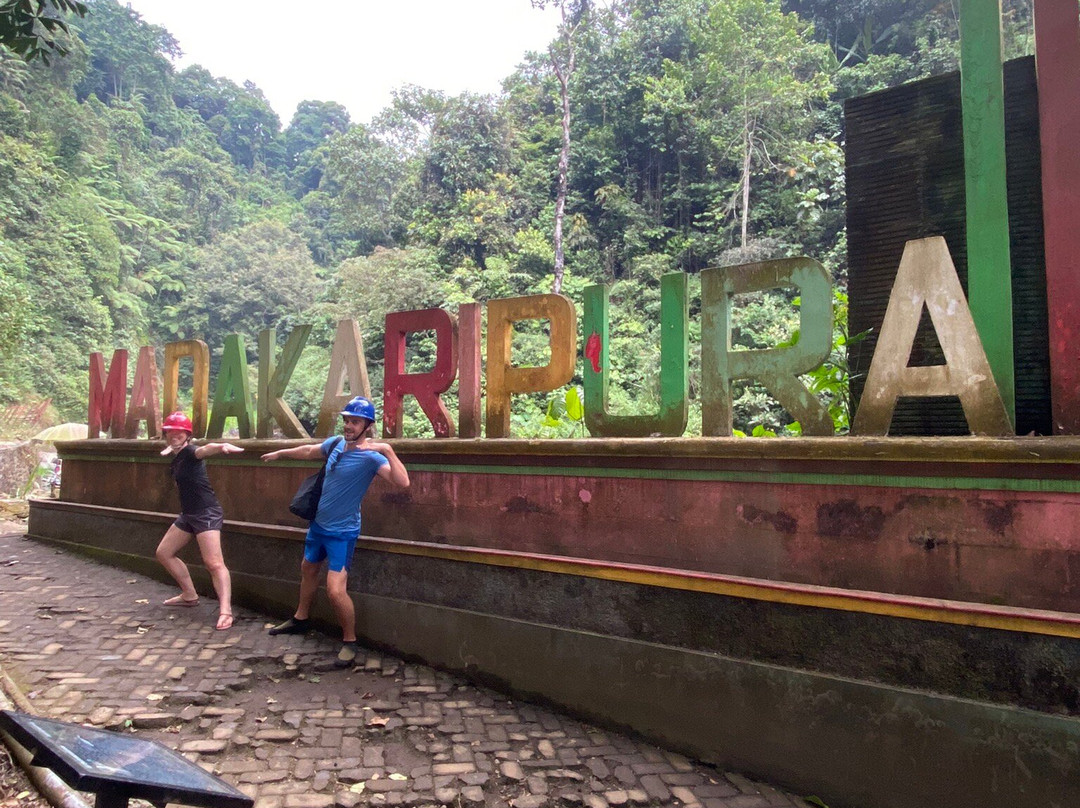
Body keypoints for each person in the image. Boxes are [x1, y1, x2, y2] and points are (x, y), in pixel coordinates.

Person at [261, 395, 409, 667]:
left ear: (367, 425)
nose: (349, 425)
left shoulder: (372, 458)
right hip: (318, 525)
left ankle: (350, 642)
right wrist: (280, 453)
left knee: (335, 591)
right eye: (347, 420)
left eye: (355, 421)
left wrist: (388, 451)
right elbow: (308, 451)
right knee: (308, 568)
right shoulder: (336, 444)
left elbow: (403, 482)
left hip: (342, 532)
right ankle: (301, 619)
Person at [155, 411, 244, 631]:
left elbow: (204, 450)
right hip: (188, 514)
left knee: (214, 563)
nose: (174, 435)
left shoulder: (192, 452)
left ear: (187, 435)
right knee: (164, 553)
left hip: (206, 513)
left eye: (179, 432)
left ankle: (225, 611)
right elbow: (173, 448)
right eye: (170, 432)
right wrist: (169, 448)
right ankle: (189, 595)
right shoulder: (177, 453)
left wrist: (221, 446)